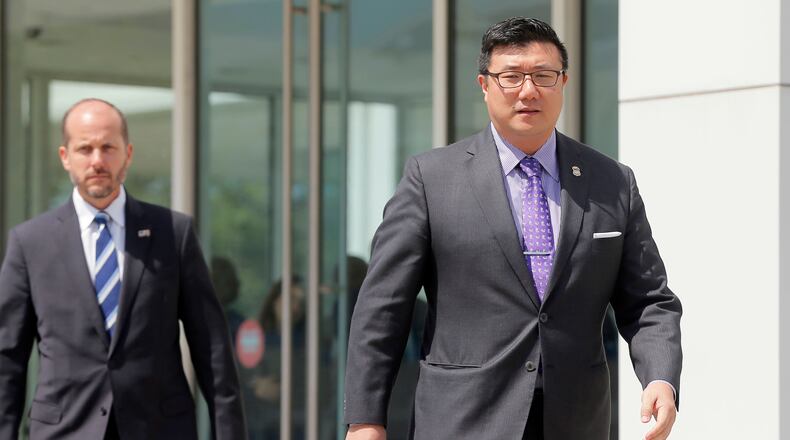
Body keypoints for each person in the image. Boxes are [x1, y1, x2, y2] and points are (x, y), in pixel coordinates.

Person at [344, 17, 682, 440]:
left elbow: (650, 301)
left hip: (575, 419)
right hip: (462, 420)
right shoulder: (431, 178)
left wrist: (660, 379)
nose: (528, 91)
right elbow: (383, 307)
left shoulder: (612, 181)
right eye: (511, 77)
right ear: (484, 86)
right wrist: (365, 419)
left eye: (543, 76)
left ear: (564, 82)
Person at [0, 98, 247, 439]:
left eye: (108, 147)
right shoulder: (30, 243)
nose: (97, 160)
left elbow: (212, 348)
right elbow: (7, 360)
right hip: (65, 430)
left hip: (159, 429)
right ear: (65, 157)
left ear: (127, 154)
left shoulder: (172, 234)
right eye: (85, 148)